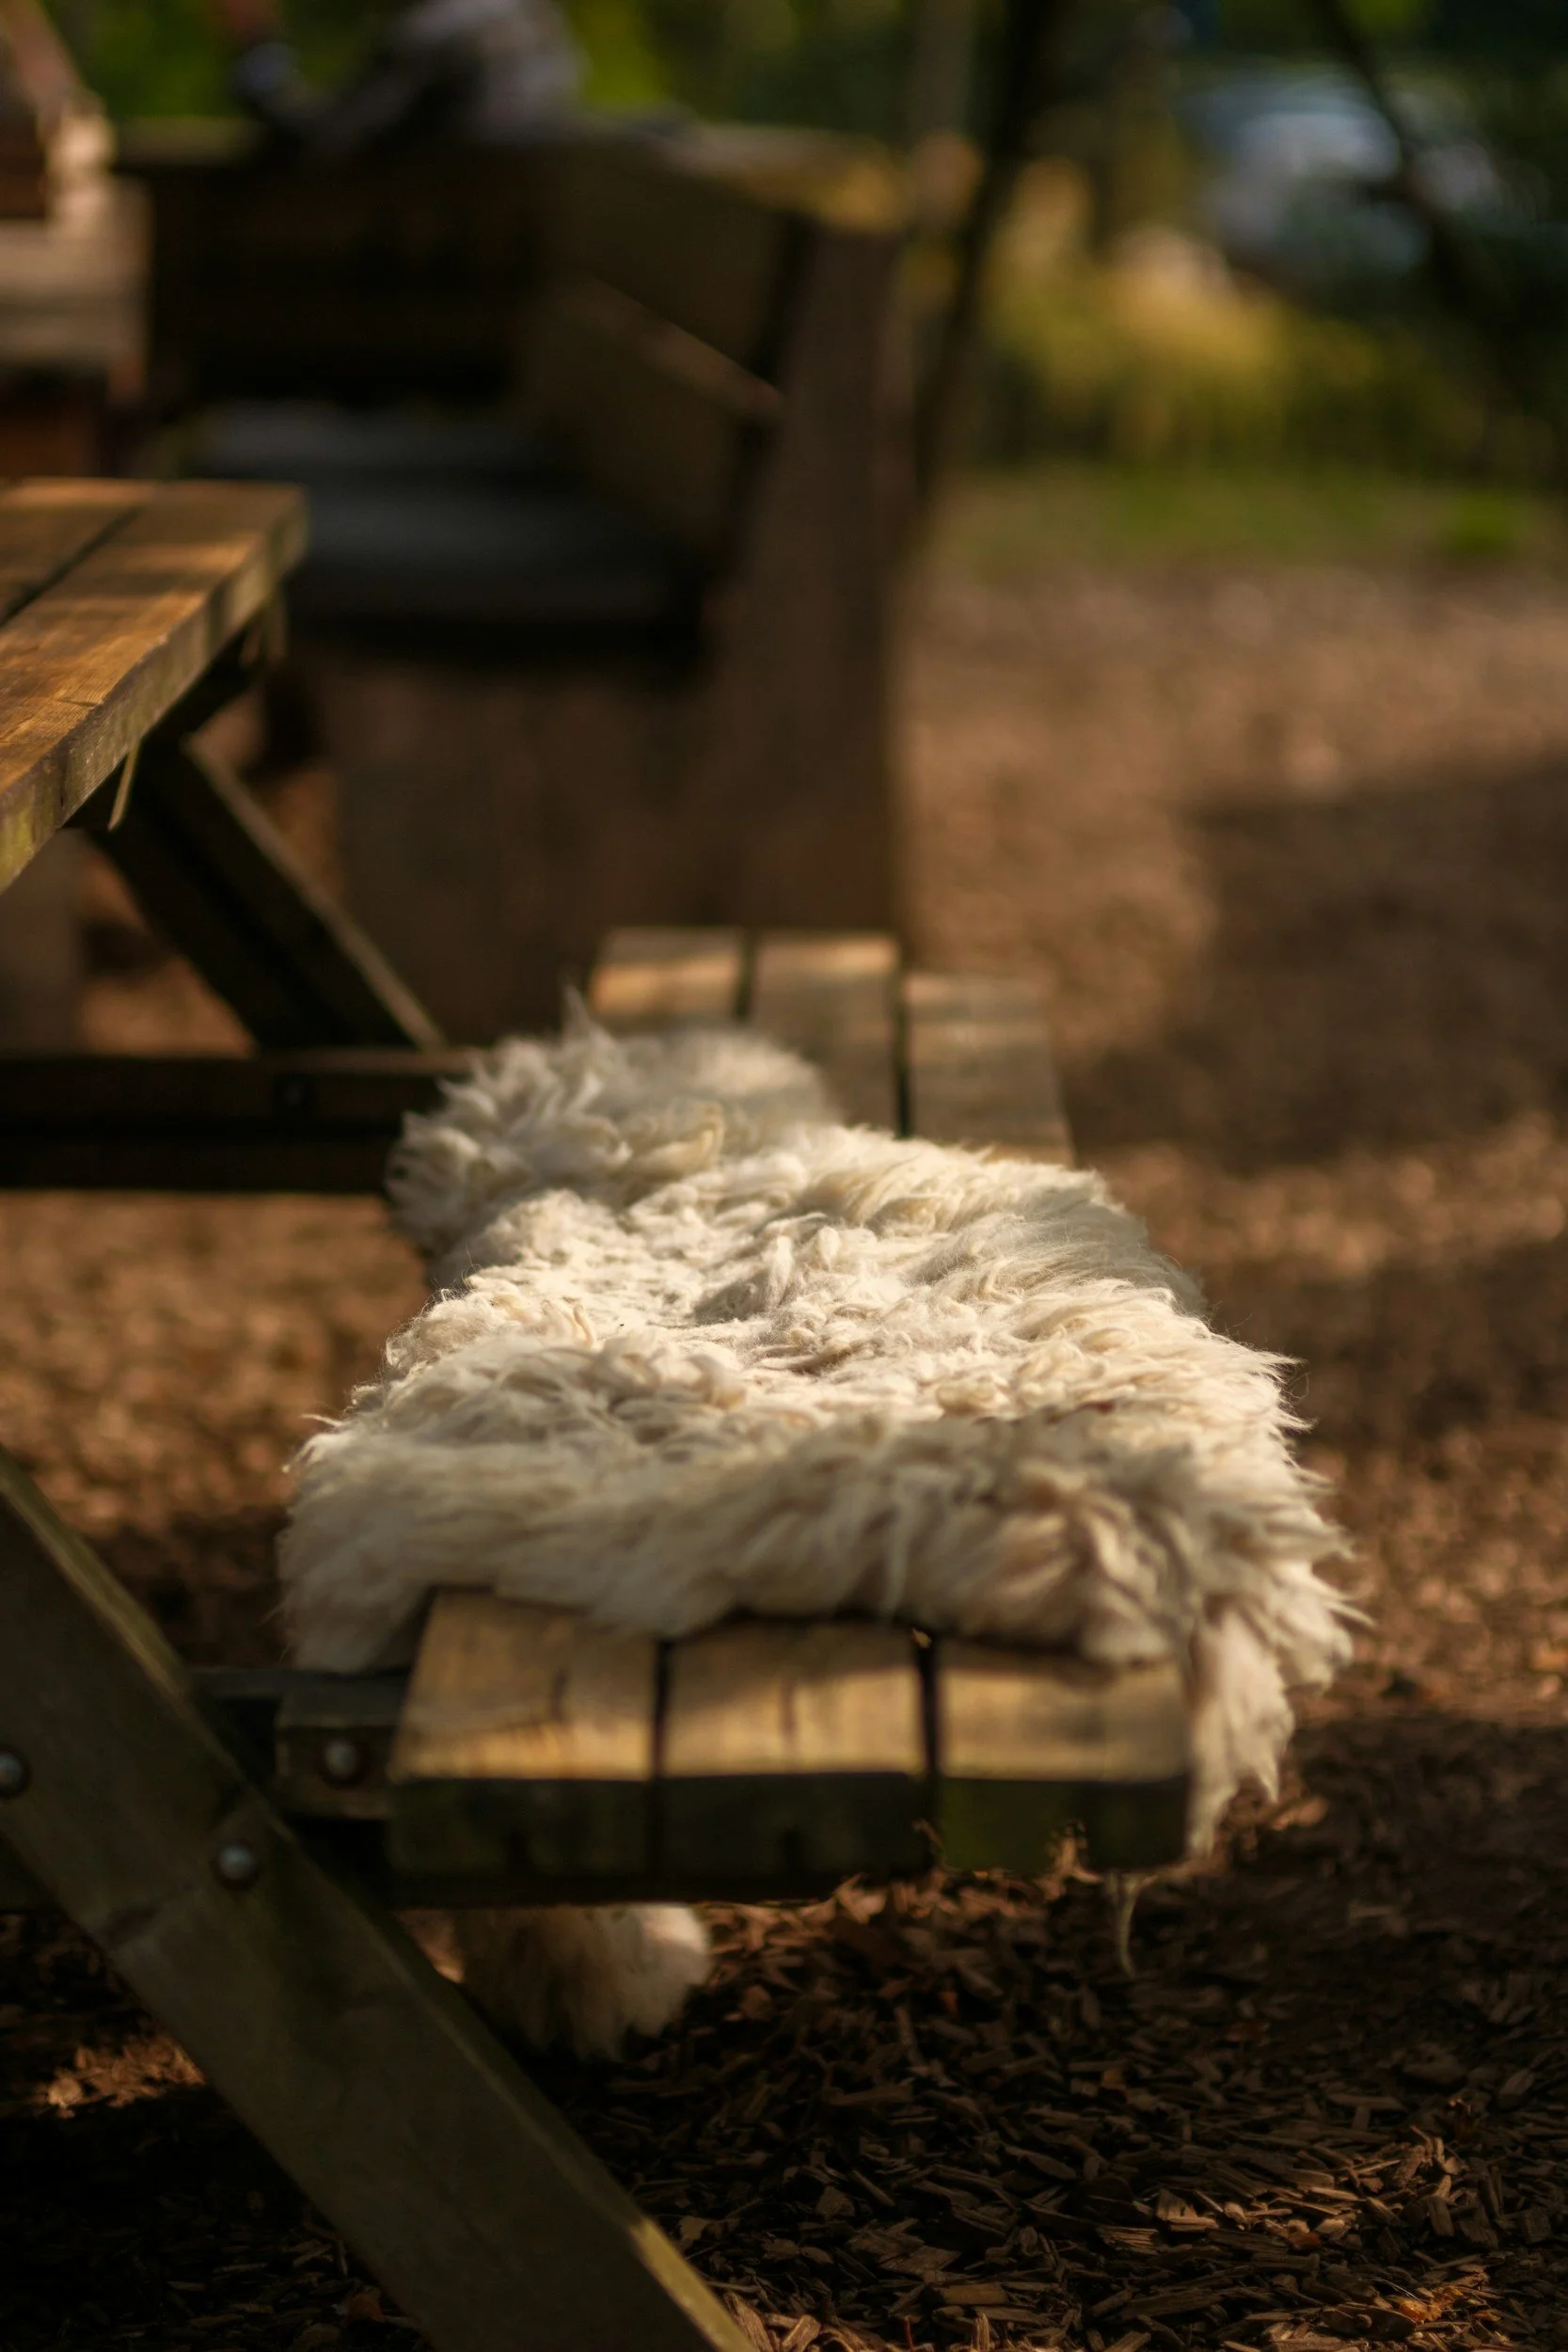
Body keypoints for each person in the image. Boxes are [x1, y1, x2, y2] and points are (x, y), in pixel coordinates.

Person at [210, 0, 581, 155]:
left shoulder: (430, 36)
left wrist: (255, 41)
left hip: (463, 247)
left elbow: (318, 138)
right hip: (523, 224)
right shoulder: (522, 12)